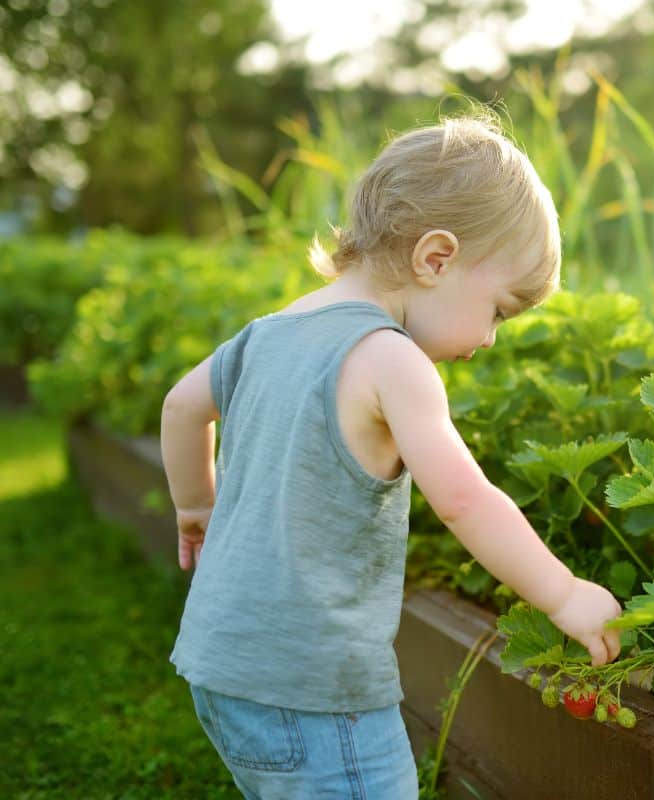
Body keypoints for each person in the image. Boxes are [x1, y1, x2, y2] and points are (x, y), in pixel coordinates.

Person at [159, 109, 623, 799]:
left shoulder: (266, 333)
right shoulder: (391, 359)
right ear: (436, 259)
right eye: (499, 309)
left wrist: (196, 504)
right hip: (315, 688)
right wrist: (564, 593)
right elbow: (466, 500)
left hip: (220, 668)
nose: (492, 338)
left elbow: (181, 407)